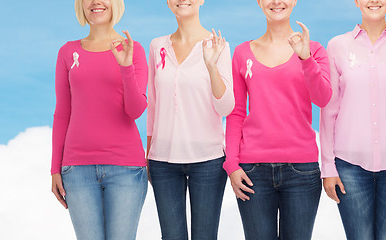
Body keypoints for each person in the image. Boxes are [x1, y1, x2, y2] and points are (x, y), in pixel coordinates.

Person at [224, 0, 333, 239]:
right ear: (260, 2)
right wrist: (231, 165)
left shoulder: (313, 49)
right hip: (252, 172)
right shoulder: (242, 53)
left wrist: (306, 59)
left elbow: (323, 98)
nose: (276, 2)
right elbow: (236, 113)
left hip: (302, 172)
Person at [320, 0, 386, 239]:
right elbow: (329, 109)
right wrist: (327, 166)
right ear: (356, 2)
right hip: (349, 165)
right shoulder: (337, 46)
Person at [50, 0, 148, 239]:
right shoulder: (67, 52)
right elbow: (62, 112)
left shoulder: (133, 50)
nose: (96, 2)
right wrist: (55, 168)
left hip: (126, 168)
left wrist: (125, 67)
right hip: (77, 170)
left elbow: (136, 111)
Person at [145, 0, 234, 239]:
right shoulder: (156, 46)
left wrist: (212, 67)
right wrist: (149, 154)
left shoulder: (219, 46)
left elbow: (225, 107)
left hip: (209, 162)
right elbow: (152, 105)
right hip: (162, 162)